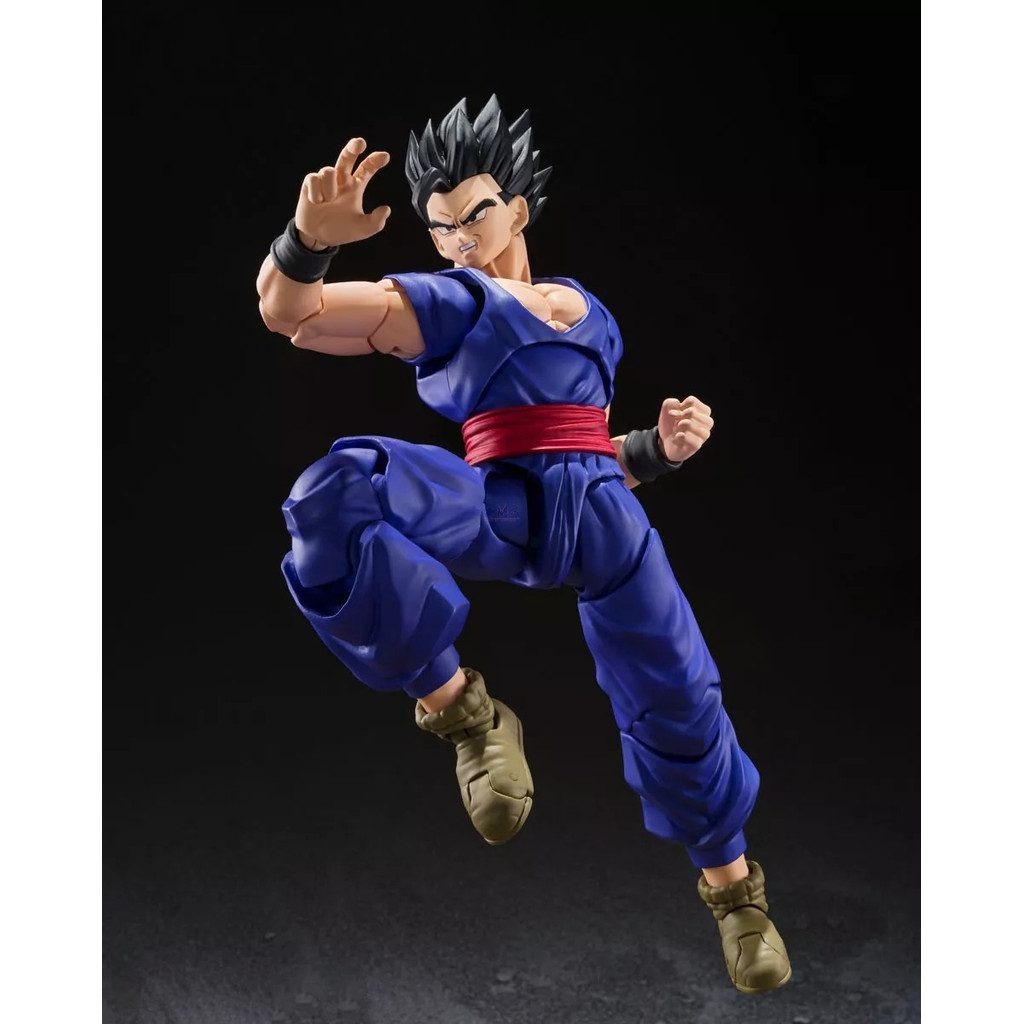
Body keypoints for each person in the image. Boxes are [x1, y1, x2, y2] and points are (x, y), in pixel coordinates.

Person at [256, 95, 791, 994]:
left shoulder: (590, 313)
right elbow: (294, 315)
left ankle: (737, 897)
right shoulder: (454, 303)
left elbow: (585, 451)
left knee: (678, 689)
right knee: (335, 490)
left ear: (518, 209)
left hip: (605, 524)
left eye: (473, 216)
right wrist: (308, 240)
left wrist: (658, 450)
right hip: (500, 509)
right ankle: (465, 715)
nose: (458, 239)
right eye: (440, 228)